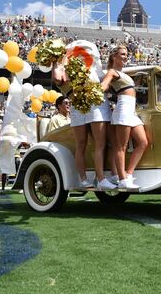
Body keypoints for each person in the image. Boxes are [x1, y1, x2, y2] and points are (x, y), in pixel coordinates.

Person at [52, 44, 113, 190]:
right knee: (82, 144)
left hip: (95, 106)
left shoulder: (94, 71)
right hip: (79, 108)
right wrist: (55, 61)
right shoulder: (65, 71)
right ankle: (84, 179)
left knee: (99, 143)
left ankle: (101, 179)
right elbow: (57, 79)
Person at [101, 46, 147, 190]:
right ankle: (122, 179)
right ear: (114, 56)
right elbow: (104, 85)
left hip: (131, 110)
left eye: (126, 54)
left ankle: (128, 174)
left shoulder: (124, 73)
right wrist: (98, 88)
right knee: (121, 146)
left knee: (143, 142)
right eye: (122, 54)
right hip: (123, 108)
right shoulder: (112, 71)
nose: (126, 57)